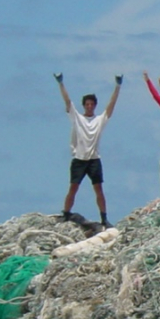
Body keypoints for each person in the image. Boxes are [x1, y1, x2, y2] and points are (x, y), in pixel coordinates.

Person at [55, 72, 121, 227]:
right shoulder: (77, 118)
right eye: (87, 104)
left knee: (98, 189)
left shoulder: (99, 120)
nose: (90, 106)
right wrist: (60, 83)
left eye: (92, 104)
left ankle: (104, 218)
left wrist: (118, 86)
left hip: (94, 160)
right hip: (79, 159)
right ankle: (65, 213)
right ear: (84, 106)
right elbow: (67, 101)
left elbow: (110, 108)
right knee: (73, 187)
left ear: (95, 106)